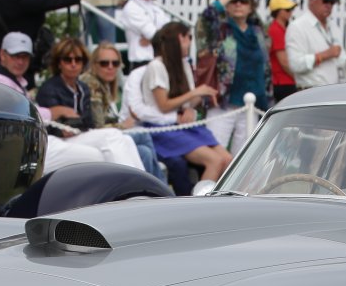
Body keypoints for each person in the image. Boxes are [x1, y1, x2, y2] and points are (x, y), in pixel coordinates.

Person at [0, 32, 109, 171]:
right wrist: (55, 112)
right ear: (2, 55)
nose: (20, 62)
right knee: (96, 155)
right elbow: (21, 114)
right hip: (23, 149)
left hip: (37, 143)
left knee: (110, 142)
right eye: (15, 56)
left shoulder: (17, 83)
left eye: (25, 57)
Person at [139, 21, 231, 183]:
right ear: (179, 39)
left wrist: (193, 105)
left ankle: (217, 196)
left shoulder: (184, 64)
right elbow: (164, 105)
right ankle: (200, 199)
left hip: (185, 126)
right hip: (163, 128)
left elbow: (188, 101)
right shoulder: (156, 66)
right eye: (188, 37)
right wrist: (194, 93)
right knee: (215, 161)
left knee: (228, 160)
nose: (190, 42)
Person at [36, 36, 144, 168]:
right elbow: (47, 125)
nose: (73, 64)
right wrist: (62, 130)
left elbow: (89, 122)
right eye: (68, 60)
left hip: (80, 135)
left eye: (78, 60)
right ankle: (130, 180)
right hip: (59, 140)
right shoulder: (49, 88)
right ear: (59, 63)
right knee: (111, 137)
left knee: (126, 140)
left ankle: (141, 179)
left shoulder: (83, 88)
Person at [198, 0, 270, 149]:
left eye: (243, 1)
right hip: (224, 101)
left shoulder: (258, 31)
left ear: (251, 7)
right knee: (215, 150)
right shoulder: (221, 30)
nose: (238, 4)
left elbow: (266, 67)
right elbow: (206, 17)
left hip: (252, 102)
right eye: (233, 1)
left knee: (245, 154)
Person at [81, 42, 163, 180]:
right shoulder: (91, 83)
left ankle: (150, 189)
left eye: (115, 63)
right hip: (95, 137)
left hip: (106, 136)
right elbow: (97, 125)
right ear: (94, 65)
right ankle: (161, 187)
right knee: (143, 135)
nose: (110, 67)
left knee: (145, 153)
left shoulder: (104, 84)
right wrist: (122, 126)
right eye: (104, 63)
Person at [287, 0, 346, 89]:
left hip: (333, 90)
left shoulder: (334, 27)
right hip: (310, 91)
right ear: (311, 0)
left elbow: (339, 59)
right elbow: (295, 65)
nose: (329, 6)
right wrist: (324, 55)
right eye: (325, 1)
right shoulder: (297, 27)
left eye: (332, 3)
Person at [119, 0, 170, 72]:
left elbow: (170, 30)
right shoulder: (130, 7)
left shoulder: (156, 6)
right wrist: (158, 37)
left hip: (160, 59)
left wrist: (152, 39)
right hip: (141, 62)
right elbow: (152, 33)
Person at [268, 0, 298, 99]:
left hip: (286, 80)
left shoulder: (282, 29)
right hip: (283, 82)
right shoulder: (276, 30)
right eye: (287, 10)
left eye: (291, 9)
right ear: (278, 11)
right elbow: (284, 62)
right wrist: (298, 77)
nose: (290, 12)